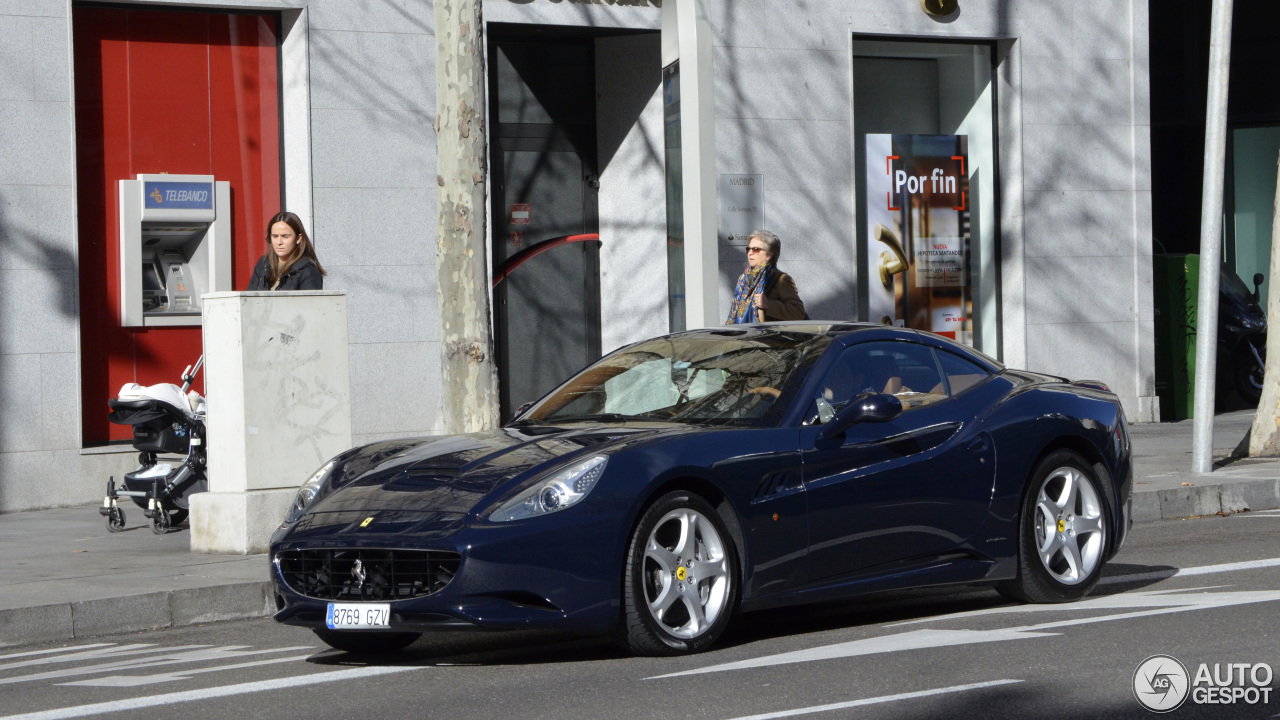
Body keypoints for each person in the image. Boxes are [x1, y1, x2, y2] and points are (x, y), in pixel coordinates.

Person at [725, 230, 806, 324]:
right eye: (748, 249)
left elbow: (798, 313)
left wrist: (768, 304)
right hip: (742, 336)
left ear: (769, 255)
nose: (750, 253)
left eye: (755, 249)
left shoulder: (780, 279)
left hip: (766, 337)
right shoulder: (743, 279)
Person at [246, 212, 326, 291]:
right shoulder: (263, 264)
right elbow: (249, 299)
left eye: (285, 236)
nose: (279, 242)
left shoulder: (308, 270)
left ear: (298, 238)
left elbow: (310, 303)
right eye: (275, 236)